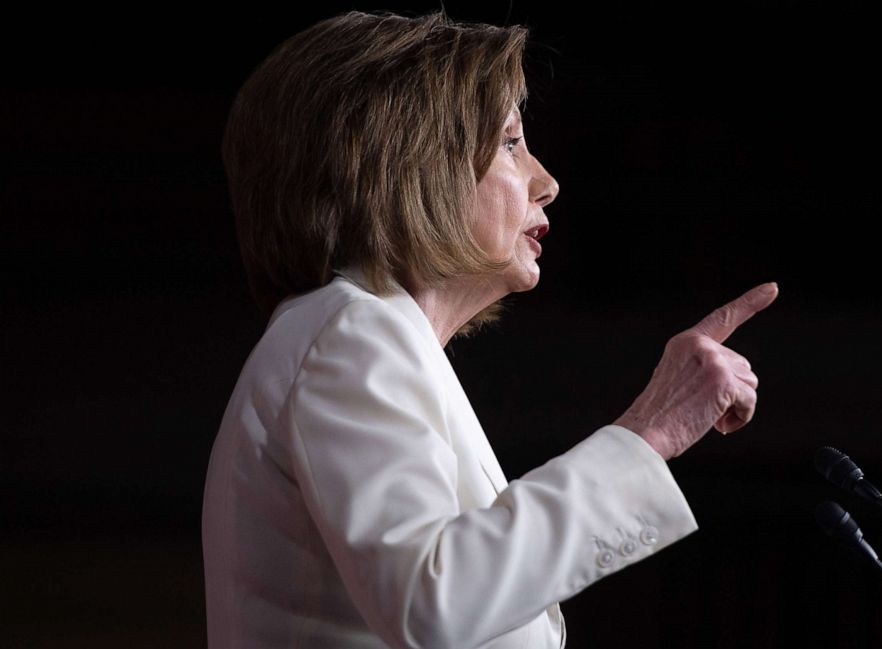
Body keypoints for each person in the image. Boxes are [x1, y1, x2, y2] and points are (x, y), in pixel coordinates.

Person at [201, 8, 779, 649]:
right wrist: (653, 430)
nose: (547, 182)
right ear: (411, 163)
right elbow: (433, 600)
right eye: (510, 142)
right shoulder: (351, 334)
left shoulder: (364, 334)